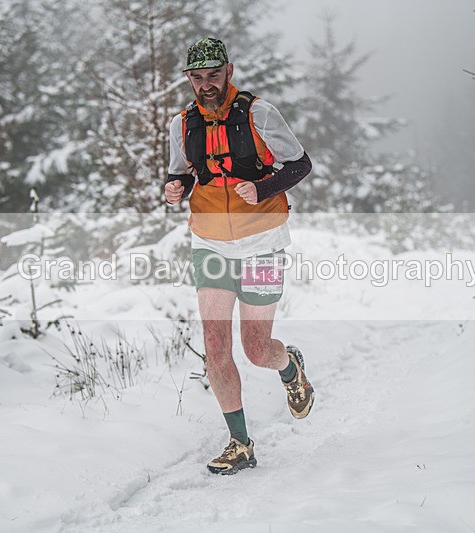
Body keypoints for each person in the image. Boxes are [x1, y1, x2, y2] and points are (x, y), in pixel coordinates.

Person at [165, 37, 314, 475]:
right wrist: (176, 188)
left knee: (255, 348)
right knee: (215, 345)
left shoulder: (259, 113)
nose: (206, 85)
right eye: (197, 77)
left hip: (263, 241)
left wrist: (263, 188)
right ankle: (240, 443)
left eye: (213, 75)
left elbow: (300, 165)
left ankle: (289, 367)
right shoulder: (182, 123)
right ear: (189, 78)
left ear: (229, 71)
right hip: (209, 242)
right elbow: (183, 173)